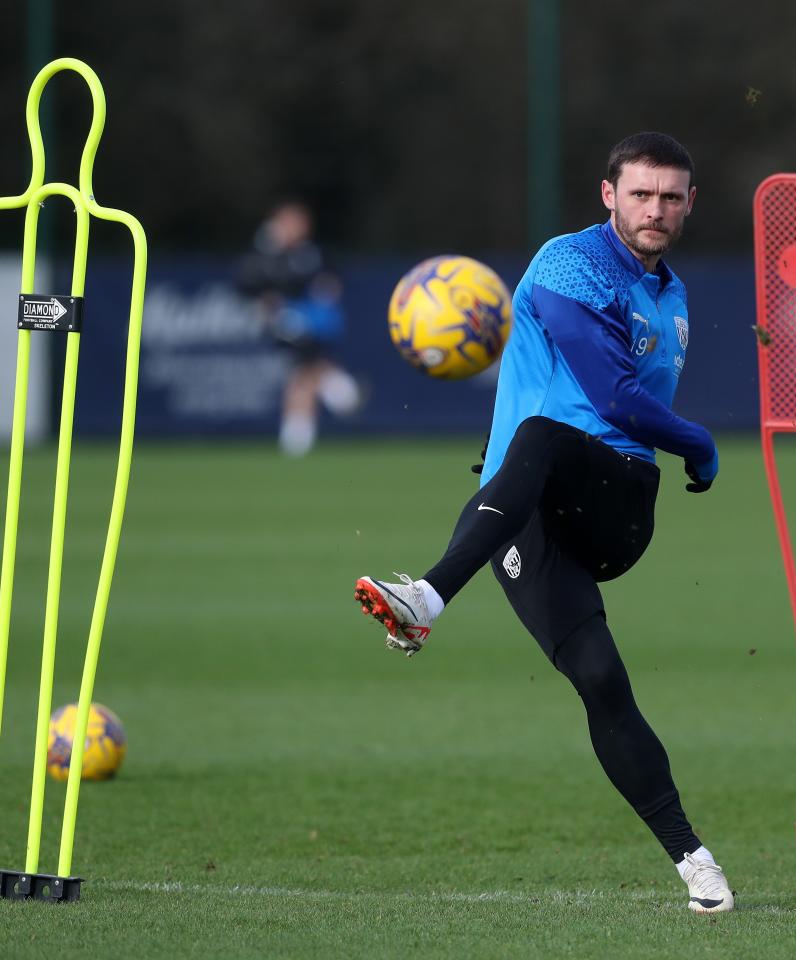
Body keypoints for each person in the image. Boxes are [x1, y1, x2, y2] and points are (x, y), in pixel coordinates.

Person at [354, 133, 732, 912]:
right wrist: (698, 444)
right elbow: (612, 390)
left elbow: (618, 409)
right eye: (640, 194)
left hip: (617, 501)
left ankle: (426, 599)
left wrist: (693, 448)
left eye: (669, 197)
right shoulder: (568, 264)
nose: (655, 209)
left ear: (690, 203)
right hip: (522, 514)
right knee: (599, 681)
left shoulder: (675, 293)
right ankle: (695, 862)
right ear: (608, 196)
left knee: (538, 439)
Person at [238, 200, 361, 456]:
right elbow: (250, 283)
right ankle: (334, 388)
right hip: (286, 321)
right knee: (302, 371)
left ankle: (300, 430)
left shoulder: (311, 254)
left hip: (316, 322)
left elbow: (328, 280)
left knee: (303, 371)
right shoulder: (267, 253)